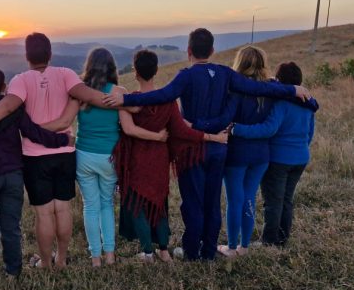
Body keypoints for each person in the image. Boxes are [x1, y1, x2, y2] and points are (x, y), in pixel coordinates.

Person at [104, 28, 311, 261]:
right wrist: (291, 89)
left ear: (189, 50)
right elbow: (259, 87)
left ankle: (192, 251)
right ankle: (209, 251)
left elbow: (163, 95)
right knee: (212, 202)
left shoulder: (187, 75)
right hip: (219, 148)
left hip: (191, 150)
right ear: (212, 50)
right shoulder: (225, 73)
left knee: (192, 202)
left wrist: (127, 99)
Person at [0, 33, 113, 269]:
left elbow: (5, 107)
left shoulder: (21, 80)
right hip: (64, 152)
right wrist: (128, 101)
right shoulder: (66, 74)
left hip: (34, 157)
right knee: (62, 209)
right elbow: (94, 97)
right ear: (50, 53)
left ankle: (45, 263)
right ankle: (61, 259)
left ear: (27, 56)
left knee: (44, 214)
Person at [194, 47, 319, 258]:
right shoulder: (271, 90)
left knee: (235, 200)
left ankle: (232, 247)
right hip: (261, 155)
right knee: (250, 197)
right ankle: (245, 246)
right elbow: (299, 101)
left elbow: (226, 117)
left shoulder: (233, 89)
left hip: (236, 153)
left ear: (239, 64)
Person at [112, 50, 227, 263]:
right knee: (159, 202)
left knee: (138, 204)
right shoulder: (168, 101)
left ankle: (148, 252)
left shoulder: (129, 101)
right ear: (156, 71)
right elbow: (182, 131)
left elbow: (127, 130)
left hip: (137, 159)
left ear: (135, 72)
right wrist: (212, 137)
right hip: (159, 159)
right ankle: (164, 250)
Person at [0, 66, 72, 279]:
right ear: (4, 87)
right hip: (14, 173)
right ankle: (13, 270)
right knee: (11, 224)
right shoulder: (15, 108)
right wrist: (63, 139)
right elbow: (35, 133)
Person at [74, 48, 170, 267]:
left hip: (84, 154)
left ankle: (95, 257)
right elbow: (128, 127)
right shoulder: (118, 92)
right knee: (107, 204)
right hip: (109, 156)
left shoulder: (80, 92)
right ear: (112, 68)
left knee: (90, 206)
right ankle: (110, 255)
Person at [230, 62, 315, 247]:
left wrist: (237, 129)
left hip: (279, 159)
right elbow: (310, 133)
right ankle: (282, 239)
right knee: (286, 200)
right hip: (301, 158)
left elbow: (269, 129)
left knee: (273, 202)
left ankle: (269, 242)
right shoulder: (308, 103)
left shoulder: (281, 103)